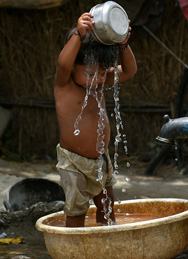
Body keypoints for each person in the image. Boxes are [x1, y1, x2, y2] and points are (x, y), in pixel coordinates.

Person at [54, 12, 137, 227]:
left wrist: (122, 45)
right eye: (91, 73)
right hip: (74, 163)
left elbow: (130, 70)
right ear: (74, 66)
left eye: (102, 72)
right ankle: (74, 251)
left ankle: (107, 244)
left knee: (107, 207)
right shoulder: (64, 85)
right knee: (76, 209)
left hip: (101, 160)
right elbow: (63, 65)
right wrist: (78, 37)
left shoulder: (99, 82)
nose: (98, 79)